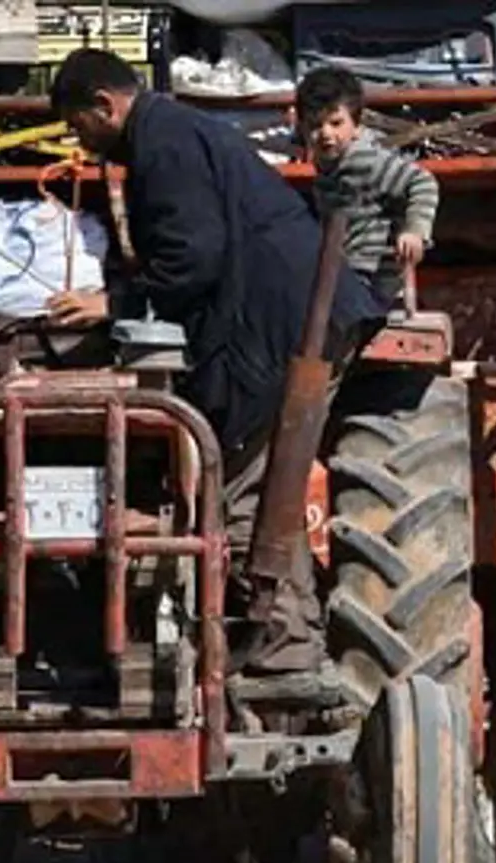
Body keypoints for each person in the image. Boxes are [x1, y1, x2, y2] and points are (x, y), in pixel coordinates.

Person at [43, 48, 384, 697]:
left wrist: (114, 305)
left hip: (282, 321)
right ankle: (283, 641)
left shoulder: (162, 146)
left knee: (251, 488)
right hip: (290, 314)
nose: (77, 142)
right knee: (261, 481)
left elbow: (193, 256)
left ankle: (282, 654)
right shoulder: (170, 132)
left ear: (103, 106)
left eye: (76, 125)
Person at [295, 65, 440, 309]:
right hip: (346, 267)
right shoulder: (326, 166)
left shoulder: (365, 160)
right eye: (315, 126)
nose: (325, 134)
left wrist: (415, 231)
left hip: (372, 272)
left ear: (357, 125)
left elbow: (422, 182)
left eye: (336, 123)